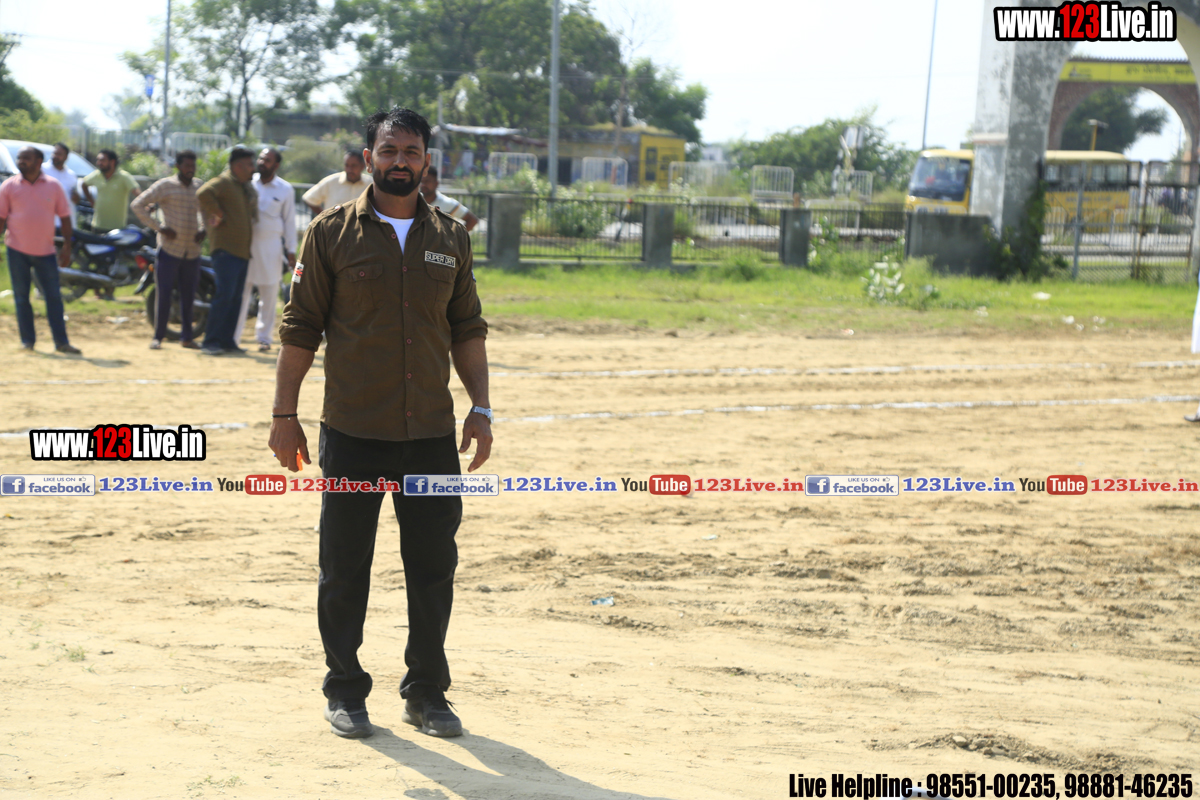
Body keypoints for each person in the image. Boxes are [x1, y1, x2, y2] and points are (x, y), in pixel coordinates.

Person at [271, 107, 492, 741]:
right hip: (353, 433)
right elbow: (300, 328)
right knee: (344, 567)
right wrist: (284, 416)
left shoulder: (450, 237)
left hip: (430, 436)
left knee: (433, 567)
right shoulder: (330, 233)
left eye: (411, 151)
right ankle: (345, 689)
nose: (400, 161)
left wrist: (481, 407)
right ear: (369, 158)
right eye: (389, 150)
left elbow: (467, 329)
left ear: (427, 162)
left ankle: (427, 693)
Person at [0, 146, 81, 354]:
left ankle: (61, 342)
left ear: (38, 161)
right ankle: (27, 342)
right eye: (19, 158)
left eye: (26, 158)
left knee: (53, 297)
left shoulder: (53, 186)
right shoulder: (8, 186)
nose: (21, 161)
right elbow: (1, 218)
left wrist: (67, 246)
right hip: (16, 250)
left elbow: (65, 217)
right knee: (21, 298)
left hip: (45, 252)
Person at [131, 150, 207, 350]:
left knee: (189, 296)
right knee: (163, 294)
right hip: (169, 250)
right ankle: (158, 336)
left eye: (193, 166)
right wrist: (159, 227)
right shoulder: (165, 186)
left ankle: (187, 337)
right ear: (178, 166)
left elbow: (207, 211)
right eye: (187, 165)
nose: (190, 169)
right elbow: (137, 204)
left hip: (192, 251)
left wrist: (204, 229)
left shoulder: (199, 187)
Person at [196, 146, 257, 355]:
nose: (253, 168)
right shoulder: (224, 182)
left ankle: (227, 341)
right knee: (224, 296)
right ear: (237, 166)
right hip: (226, 251)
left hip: (241, 252)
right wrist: (217, 212)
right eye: (249, 164)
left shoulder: (242, 186)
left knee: (235, 299)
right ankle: (210, 341)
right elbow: (203, 193)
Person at [234, 147, 296, 352]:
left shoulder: (285, 189)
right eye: (260, 158)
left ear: (276, 165)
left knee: (269, 294)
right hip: (246, 245)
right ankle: (233, 337)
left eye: (267, 160)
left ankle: (264, 338)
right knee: (241, 294)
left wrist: (291, 250)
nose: (262, 162)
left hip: (271, 247)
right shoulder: (247, 183)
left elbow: (289, 222)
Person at [81, 149, 140, 231]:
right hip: (97, 225)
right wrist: (91, 200)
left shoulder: (124, 177)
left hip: (117, 227)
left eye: (102, 160)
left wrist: (146, 204)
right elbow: (84, 184)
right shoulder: (97, 175)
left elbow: (136, 191)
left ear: (112, 162)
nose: (99, 163)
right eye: (98, 160)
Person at [302, 151, 372, 215]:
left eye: (353, 166)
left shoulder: (371, 183)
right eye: (346, 165)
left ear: (362, 166)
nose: (349, 169)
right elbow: (310, 198)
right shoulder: (331, 181)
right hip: (335, 225)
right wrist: (325, 217)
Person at [419, 167, 478, 232]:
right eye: (421, 182)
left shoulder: (447, 203)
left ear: (436, 183)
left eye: (427, 181)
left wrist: (456, 237)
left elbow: (472, 220)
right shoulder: (415, 202)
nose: (423, 185)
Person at [42, 143, 80, 230]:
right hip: (46, 221)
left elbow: (75, 198)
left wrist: (76, 197)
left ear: (66, 157)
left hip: (65, 221)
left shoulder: (71, 175)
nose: (55, 156)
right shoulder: (42, 170)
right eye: (54, 153)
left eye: (59, 154)